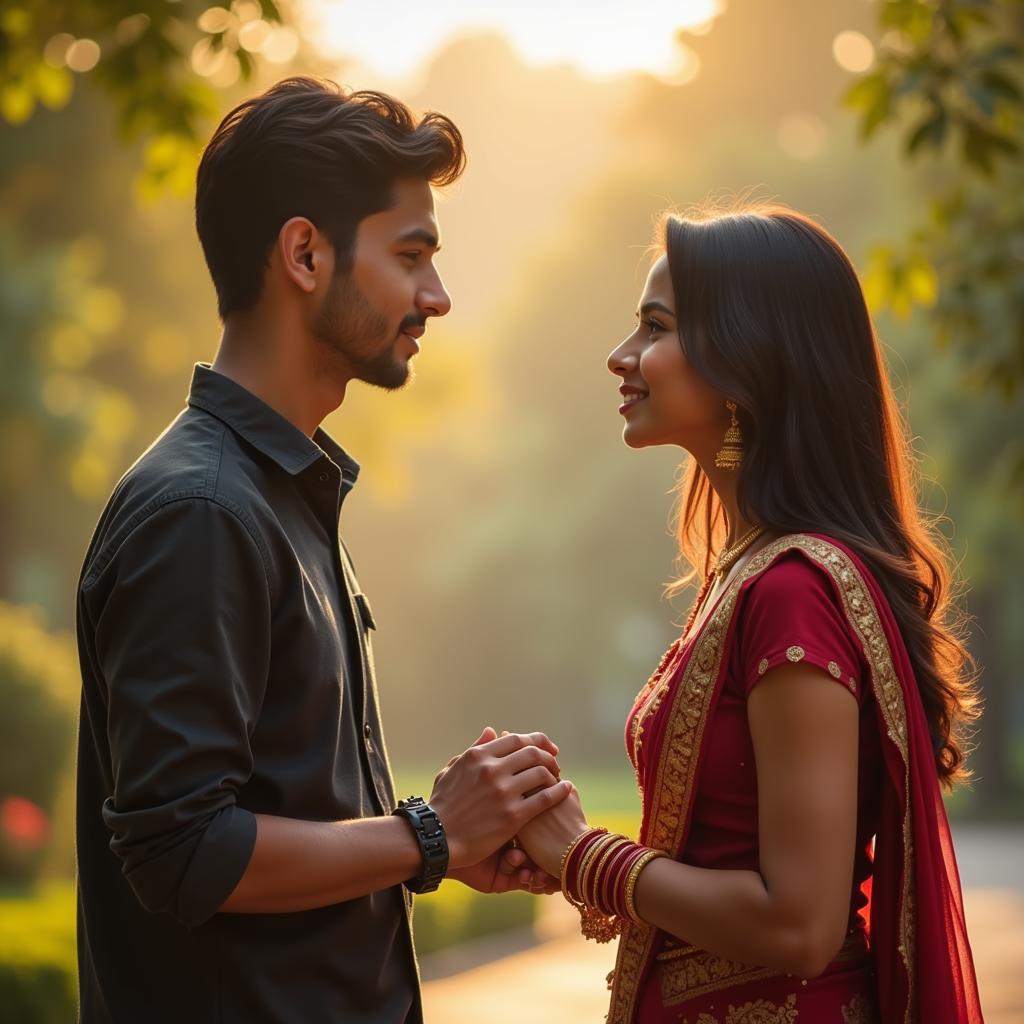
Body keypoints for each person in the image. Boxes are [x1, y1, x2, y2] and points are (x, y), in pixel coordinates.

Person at [74, 76, 570, 1024]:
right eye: (412, 255)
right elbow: (185, 853)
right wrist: (427, 834)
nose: (438, 295)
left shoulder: (277, 493)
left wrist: (444, 846)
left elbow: (274, 820)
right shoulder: (203, 511)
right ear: (304, 254)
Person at [516, 202, 984, 1022]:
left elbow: (799, 925)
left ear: (747, 362)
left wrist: (581, 856)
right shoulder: (748, 575)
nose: (621, 357)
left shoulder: (792, 590)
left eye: (655, 328)